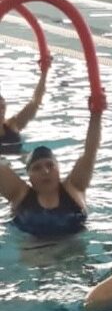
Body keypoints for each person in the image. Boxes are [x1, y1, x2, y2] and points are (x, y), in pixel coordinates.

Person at [0, 99, 102, 238]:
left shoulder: (74, 188)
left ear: (59, 170)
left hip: (73, 253)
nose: (45, 171)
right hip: (34, 255)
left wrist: (96, 115)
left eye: (50, 165)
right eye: (37, 168)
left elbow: (90, 151)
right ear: (28, 176)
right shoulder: (19, 194)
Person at [0, 55, 49, 152]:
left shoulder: (13, 124)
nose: (1, 110)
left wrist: (44, 73)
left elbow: (35, 102)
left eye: (2, 106)